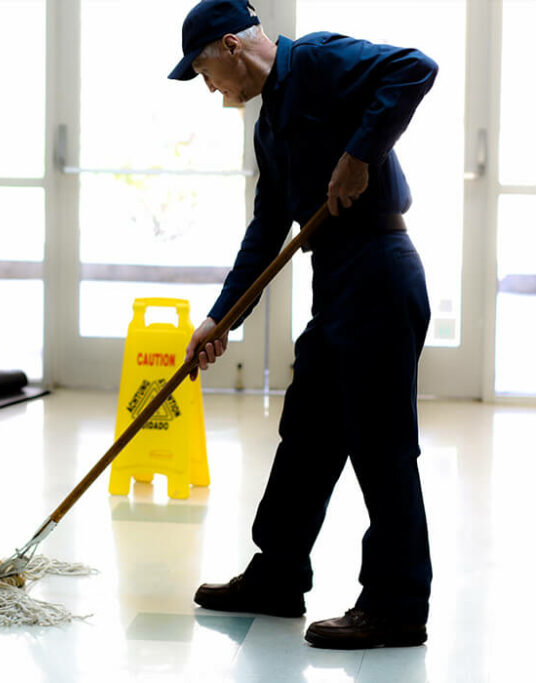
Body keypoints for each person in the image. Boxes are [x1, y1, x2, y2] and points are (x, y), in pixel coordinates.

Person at [168, 0, 438, 649]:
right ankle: (277, 574)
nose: (210, 89)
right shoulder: (270, 127)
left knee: (382, 443)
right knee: (309, 432)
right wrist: (219, 319)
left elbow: (414, 69)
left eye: (205, 72)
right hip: (338, 277)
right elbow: (266, 230)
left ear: (231, 46)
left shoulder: (316, 60)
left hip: (378, 266)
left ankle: (397, 605)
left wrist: (358, 153)